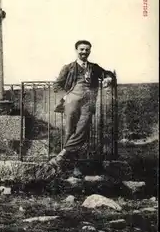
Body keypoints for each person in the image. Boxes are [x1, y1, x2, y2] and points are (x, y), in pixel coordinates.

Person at [49, 40, 115, 172]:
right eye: (82, 49)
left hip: (88, 103)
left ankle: (61, 157)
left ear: (90, 51)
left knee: (82, 131)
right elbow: (56, 85)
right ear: (76, 50)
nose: (84, 52)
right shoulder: (68, 67)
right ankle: (73, 166)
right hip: (71, 102)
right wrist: (66, 97)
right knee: (69, 131)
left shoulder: (94, 67)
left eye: (87, 50)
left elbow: (108, 73)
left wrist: (108, 78)